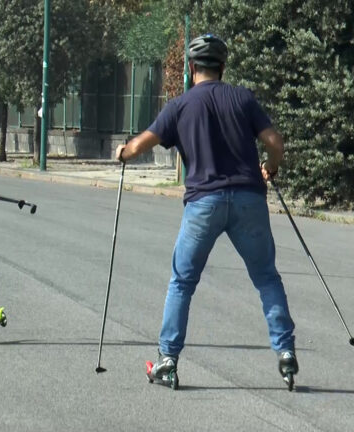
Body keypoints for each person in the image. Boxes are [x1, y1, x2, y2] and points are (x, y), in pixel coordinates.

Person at [115, 34, 297, 382]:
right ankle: (285, 352)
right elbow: (274, 141)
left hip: (203, 203)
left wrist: (123, 152)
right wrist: (271, 167)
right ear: (223, 67)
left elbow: (140, 145)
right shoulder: (243, 98)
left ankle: (168, 360)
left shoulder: (180, 106)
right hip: (248, 199)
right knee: (267, 278)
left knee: (183, 281)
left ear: (191, 67)